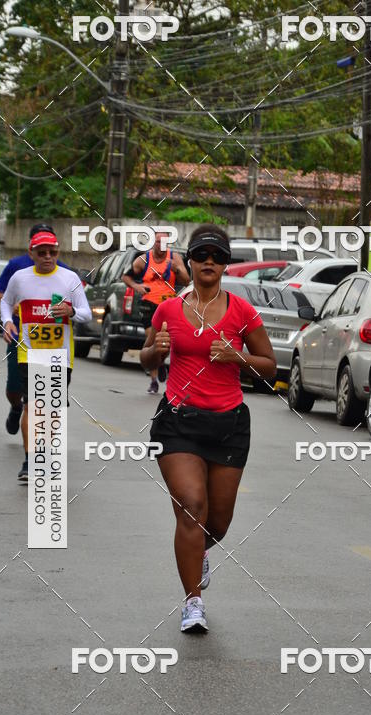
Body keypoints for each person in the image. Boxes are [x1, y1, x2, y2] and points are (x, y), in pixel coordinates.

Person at [140, 225, 276, 633]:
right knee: (191, 508)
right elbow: (146, 359)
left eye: (217, 256)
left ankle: (197, 551)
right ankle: (192, 602)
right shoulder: (167, 310)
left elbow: (269, 367)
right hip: (178, 425)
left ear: (225, 263)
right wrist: (156, 350)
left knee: (216, 524)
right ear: (190, 263)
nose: (209, 262)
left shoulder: (241, 311)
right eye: (201, 255)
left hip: (229, 425)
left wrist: (238, 357)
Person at [0, 230, 92, 481]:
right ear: (32, 254)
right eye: (42, 253)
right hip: (29, 353)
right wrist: (8, 322)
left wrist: (71, 311)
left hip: (60, 356)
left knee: (51, 410)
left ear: (58, 252)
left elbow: (87, 314)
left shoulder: (69, 278)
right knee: (32, 405)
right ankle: (30, 462)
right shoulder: (20, 278)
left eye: (53, 252)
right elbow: (6, 303)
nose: (48, 257)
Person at [0, 223, 73, 437]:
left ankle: (40, 447)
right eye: (40, 245)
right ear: (31, 247)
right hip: (20, 335)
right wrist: (13, 309)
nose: (47, 253)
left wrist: (68, 311)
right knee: (14, 388)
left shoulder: (63, 271)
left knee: (43, 399)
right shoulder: (16, 267)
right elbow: (0, 293)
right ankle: (16, 407)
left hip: (53, 343)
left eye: (51, 248)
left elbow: (77, 305)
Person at [123, 232, 189, 394]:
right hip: (149, 305)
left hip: (168, 306)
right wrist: (137, 287)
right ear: (153, 242)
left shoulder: (175, 258)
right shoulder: (143, 260)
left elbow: (187, 281)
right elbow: (126, 277)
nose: (161, 245)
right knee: (152, 341)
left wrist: (178, 271)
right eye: (158, 241)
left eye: (164, 242)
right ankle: (154, 380)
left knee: (166, 342)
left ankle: (159, 364)